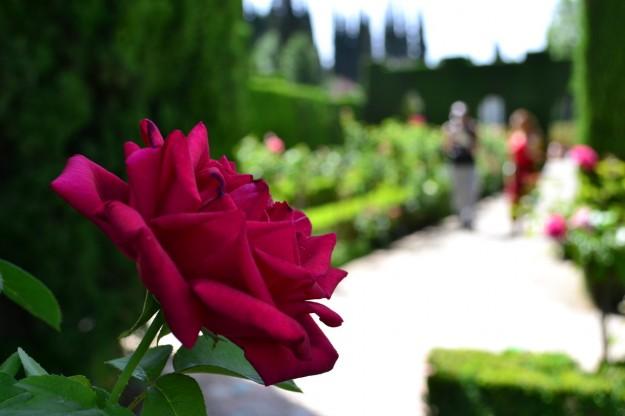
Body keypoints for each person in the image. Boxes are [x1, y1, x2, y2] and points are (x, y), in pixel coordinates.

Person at [505, 109, 543, 232]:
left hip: (527, 170)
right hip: (516, 170)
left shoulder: (532, 137)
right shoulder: (514, 136)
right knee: (513, 197)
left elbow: (537, 156)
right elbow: (510, 155)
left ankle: (528, 222)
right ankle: (514, 223)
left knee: (528, 196)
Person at [443, 101, 479, 229]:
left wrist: (467, 140)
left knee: (470, 191)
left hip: (469, 164)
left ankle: (469, 217)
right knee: (458, 191)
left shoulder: (471, 128)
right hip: (456, 164)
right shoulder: (449, 128)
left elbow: (476, 148)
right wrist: (451, 137)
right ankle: (461, 216)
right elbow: (446, 148)